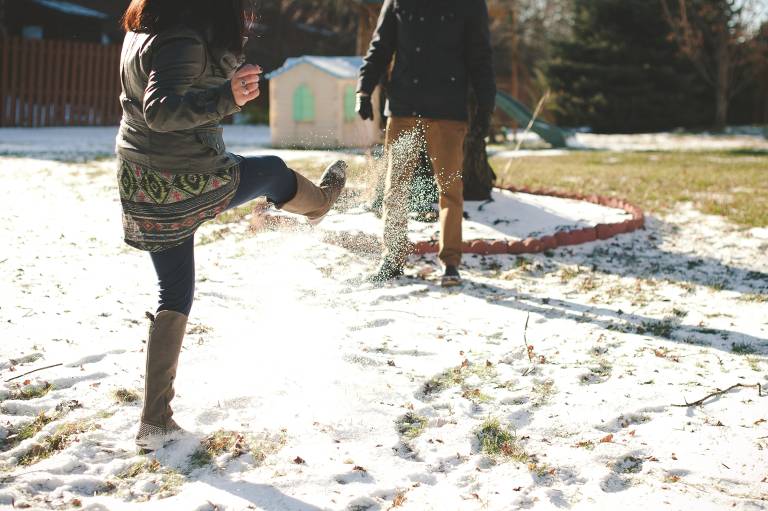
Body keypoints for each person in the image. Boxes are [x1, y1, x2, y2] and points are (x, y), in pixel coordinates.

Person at [117, 0, 346, 451]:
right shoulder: (180, 37)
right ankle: (318, 204)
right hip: (183, 176)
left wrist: (224, 85)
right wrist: (227, 97)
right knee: (273, 172)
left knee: (175, 292)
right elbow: (161, 110)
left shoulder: (143, 28)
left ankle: (155, 420)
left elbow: (166, 92)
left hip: (141, 179)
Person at [357, 0, 496, 287]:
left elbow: (480, 56)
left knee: (450, 191)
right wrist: (364, 89)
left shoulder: (470, 5)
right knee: (396, 188)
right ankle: (391, 259)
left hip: (448, 111)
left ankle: (451, 264)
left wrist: (486, 106)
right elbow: (381, 47)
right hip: (404, 107)